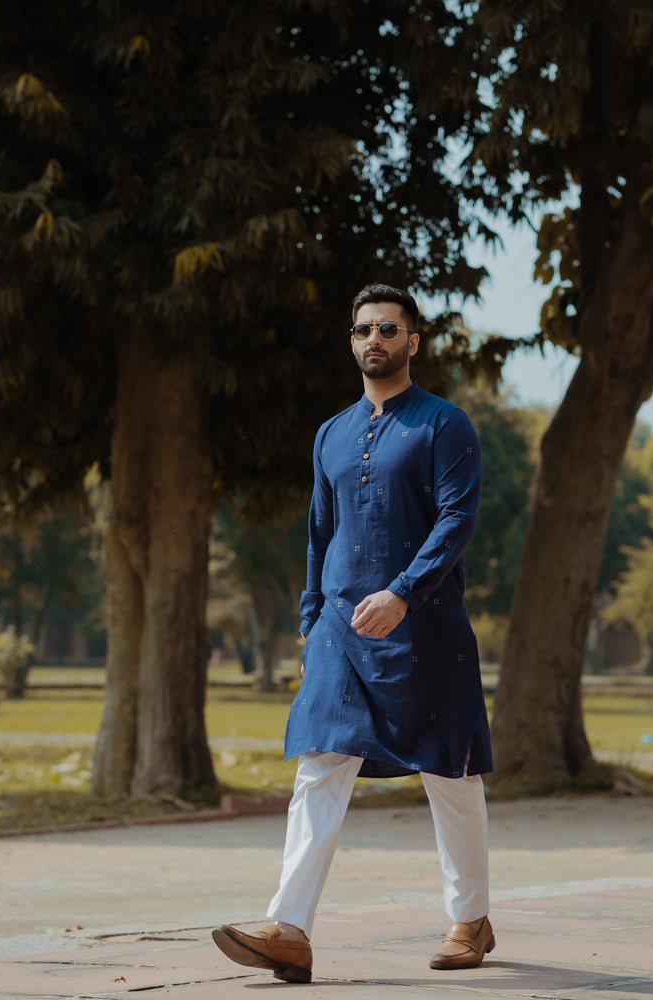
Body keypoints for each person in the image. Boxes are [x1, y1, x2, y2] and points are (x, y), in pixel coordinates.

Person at [212, 283, 494, 984]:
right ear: (352, 341)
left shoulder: (443, 424)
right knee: (320, 763)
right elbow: (319, 532)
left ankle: (471, 919)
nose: (376, 339)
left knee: (448, 770)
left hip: (425, 626)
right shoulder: (331, 433)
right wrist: (313, 621)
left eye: (389, 329)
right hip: (340, 627)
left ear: (413, 342)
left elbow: (456, 522)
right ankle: (290, 929)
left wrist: (403, 594)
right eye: (364, 329)